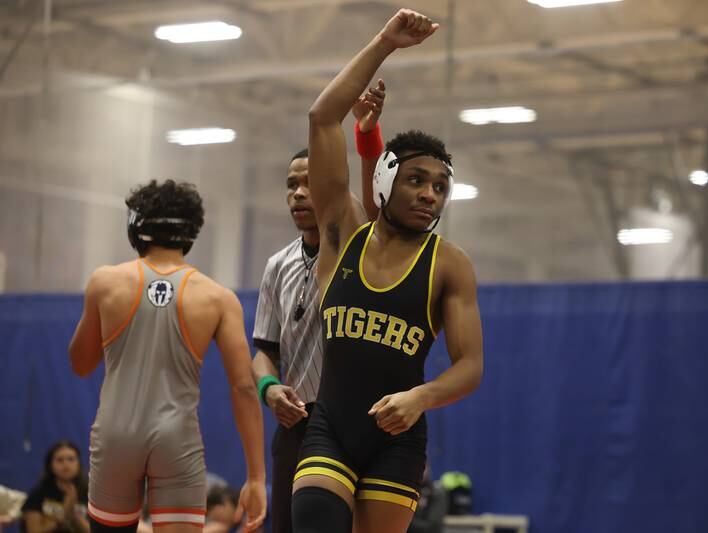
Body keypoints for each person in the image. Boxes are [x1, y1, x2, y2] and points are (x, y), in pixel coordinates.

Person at [291, 9, 484, 533]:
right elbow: (321, 118)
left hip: (396, 440)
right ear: (384, 182)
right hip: (330, 426)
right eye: (417, 180)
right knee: (315, 520)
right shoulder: (342, 232)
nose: (429, 194)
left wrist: (422, 397)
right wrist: (384, 43)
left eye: (441, 186)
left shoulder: (448, 263)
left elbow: (470, 366)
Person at [68, 180, 266, 533]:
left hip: (116, 434)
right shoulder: (218, 298)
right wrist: (255, 476)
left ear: (136, 226)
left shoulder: (106, 282)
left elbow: (80, 364)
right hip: (177, 438)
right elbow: (244, 388)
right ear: (191, 232)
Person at [250, 85, 386, 533]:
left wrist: (367, 135)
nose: (299, 193)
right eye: (291, 185)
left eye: (309, 182)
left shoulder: (354, 244)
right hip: (296, 423)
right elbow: (263, 351)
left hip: (354, 419)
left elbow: (371, 203)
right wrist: (270, 389)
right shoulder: (276, 265)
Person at [21, 441, 89, 533]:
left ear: (78, 464)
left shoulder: (90, 493)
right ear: (50, 465)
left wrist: (73, 514)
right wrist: (63, 513)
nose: (66, 464)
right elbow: (33, 530)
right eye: (60, 460)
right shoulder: (38, 494)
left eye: (71, 459)